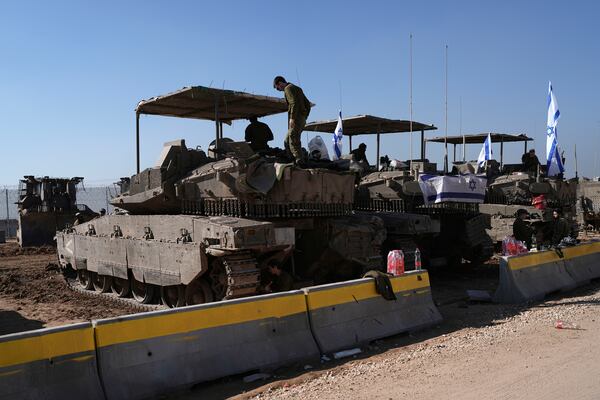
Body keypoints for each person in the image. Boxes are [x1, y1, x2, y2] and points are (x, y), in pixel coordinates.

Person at [273, 76, 311, 164]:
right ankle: (292, 160)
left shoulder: (288, 88)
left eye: (277, 87)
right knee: (287, 141)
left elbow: (293, 103)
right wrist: (304, 117)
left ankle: (299, 162)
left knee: (293, 140)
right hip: (301, 118)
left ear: (279, 83)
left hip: (296, 119)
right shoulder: (297, 88)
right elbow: (307, 104)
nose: (278, 90)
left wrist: (292, 118)